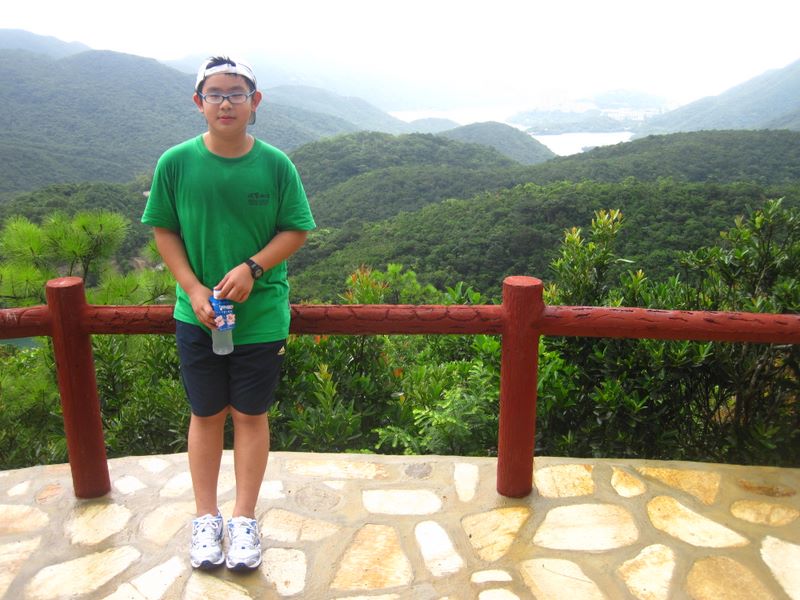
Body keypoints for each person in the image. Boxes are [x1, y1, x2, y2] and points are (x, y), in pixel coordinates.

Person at [141, 56, 315, 571]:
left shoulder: (276, 165)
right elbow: (164, 230)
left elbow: (296, 229)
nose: (225, 103)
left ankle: (243, 519)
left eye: (236, 93)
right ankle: (205, 518)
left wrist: (252, 268)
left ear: (254, 101)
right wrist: (193, 288)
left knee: (251, 415)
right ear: (199, 102)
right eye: (214, 93)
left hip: (260, 317)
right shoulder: (176, 162)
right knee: (205, 414)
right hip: (197, 314)